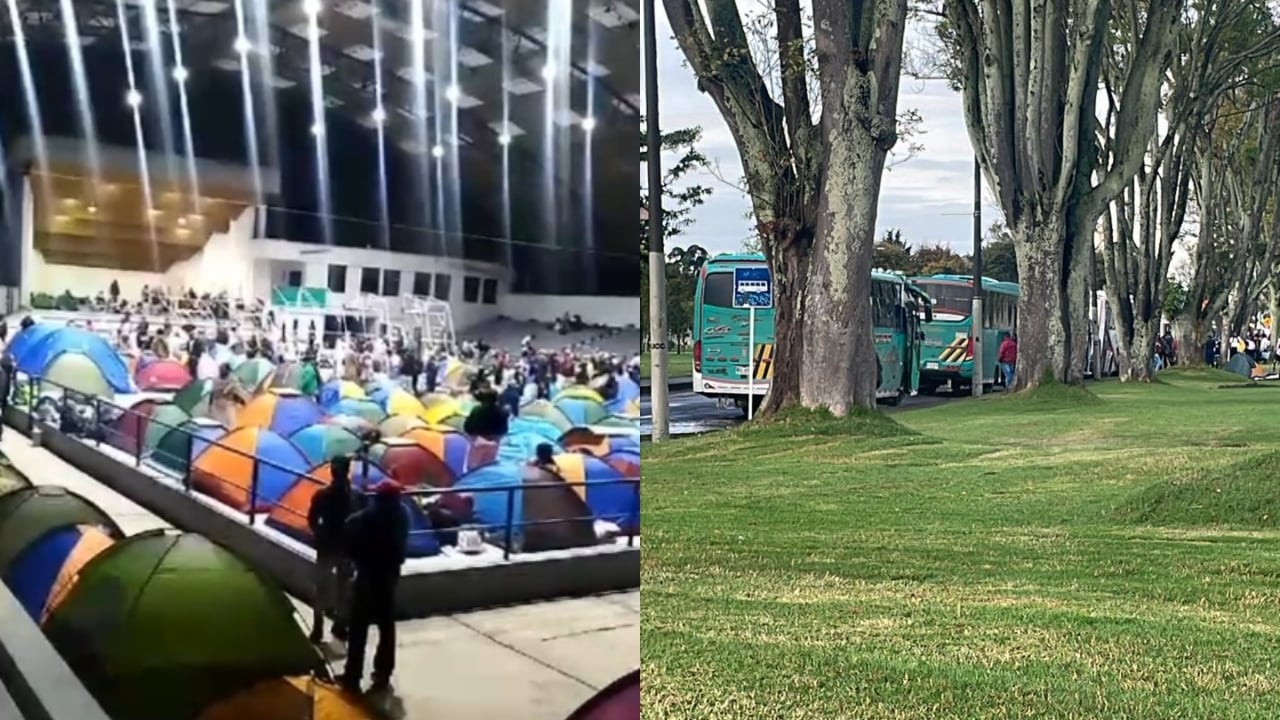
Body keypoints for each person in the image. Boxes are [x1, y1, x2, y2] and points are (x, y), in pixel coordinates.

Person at [341, 479, 409, 693]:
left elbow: (350, 530)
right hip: (388, 577)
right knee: (386, 627)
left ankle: (352, 675)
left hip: (367, 577)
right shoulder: (402, 515)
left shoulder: (367, 518)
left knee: (358, 628)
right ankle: (383, 672)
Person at [306, 454, 360, 644]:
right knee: (343, 590)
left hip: (326, 547)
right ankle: (339, 625)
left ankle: (318, 628)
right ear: (348, 471)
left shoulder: (321, 495)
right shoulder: (356, 496)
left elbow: (312, 520)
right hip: (347, 548)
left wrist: (320, 534)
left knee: (321, 588)